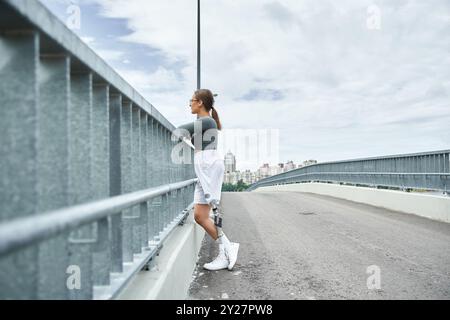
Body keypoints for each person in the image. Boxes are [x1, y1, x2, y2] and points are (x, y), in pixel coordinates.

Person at [174, 89, 239, 271]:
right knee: (200, 216)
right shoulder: (202, 122)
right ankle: (227, 247)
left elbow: (179, 130)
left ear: (200, 102)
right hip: (204, 166)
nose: (189, 103)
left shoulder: (207, 120)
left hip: (208, 165)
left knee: (213, 210)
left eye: (192, 100)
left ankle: (225, 250)